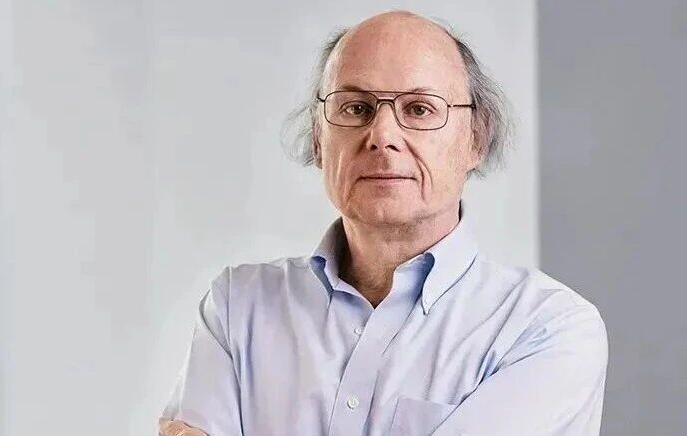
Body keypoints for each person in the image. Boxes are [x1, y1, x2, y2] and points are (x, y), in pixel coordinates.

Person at [158, 10, 608, 436]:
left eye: (419, 109)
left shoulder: (546, 329)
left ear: (477, 139)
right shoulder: (238, 308)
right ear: (319, 139)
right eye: (356, 108)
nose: (383, 136)